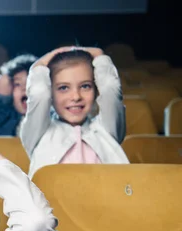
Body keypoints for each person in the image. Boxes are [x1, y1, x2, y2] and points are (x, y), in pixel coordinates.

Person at [20, 46, 129, 177]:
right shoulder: (38, 133)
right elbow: (39, 93)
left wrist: (99, 54)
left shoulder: (106, 129)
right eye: (63, 88)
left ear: (96, 90)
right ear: (50, 94)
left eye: (85, 86)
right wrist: (41, 63)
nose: (76, 96)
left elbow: (109, 86)